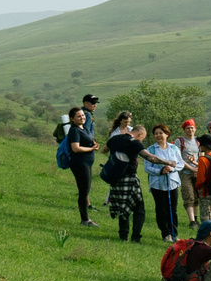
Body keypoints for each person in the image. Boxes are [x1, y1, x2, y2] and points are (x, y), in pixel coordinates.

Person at [102, 111, 146, 240]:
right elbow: (150, 157)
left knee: (122, 207)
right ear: (140, 134)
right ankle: (136, 237)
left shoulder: (115, 138)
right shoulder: (134, 142)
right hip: (130, 177)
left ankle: (123, 236)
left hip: (116, 176)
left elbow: (104, 150)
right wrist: (168, 162)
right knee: (139, 208)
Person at [59, 97, 99, 225]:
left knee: (85, 190)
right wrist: (91, 148)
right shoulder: (74, 130)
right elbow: (75, 148)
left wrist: (93, 144)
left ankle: (85, 218)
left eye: (82, 115)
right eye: (78, 116)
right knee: (83, 191)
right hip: (79, 164)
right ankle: (85, 219)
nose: (82, 118)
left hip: (87, 163)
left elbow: (88, 140)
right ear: (72, 119)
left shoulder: (84, 128)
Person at [142, 124, 185, 242]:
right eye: (156, 133)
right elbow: (147, 168)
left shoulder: (174, 148)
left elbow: (180, 164)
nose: (158, 135)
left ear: (167, 134)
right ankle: (165, 234)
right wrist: (160, 171)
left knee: (173, 209)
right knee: (161, 209)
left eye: (161, 133)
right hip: (157, 184)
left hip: (172, 182)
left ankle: (174, 233)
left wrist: (172, 169)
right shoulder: (150, 150)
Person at [176, 118, 204, 225]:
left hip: (197, 172)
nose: (190, 130)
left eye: (192, 128)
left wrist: (198, 169)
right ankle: (192, 221)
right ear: (184, 130)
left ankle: (195, 219)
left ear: (195, 129)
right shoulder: (180, 141)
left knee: (197, 196)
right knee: (189, 195)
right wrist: (191, 168)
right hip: (185, 172)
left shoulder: (197, 141)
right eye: (188, 128)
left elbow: (201, 155)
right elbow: (178, 158)